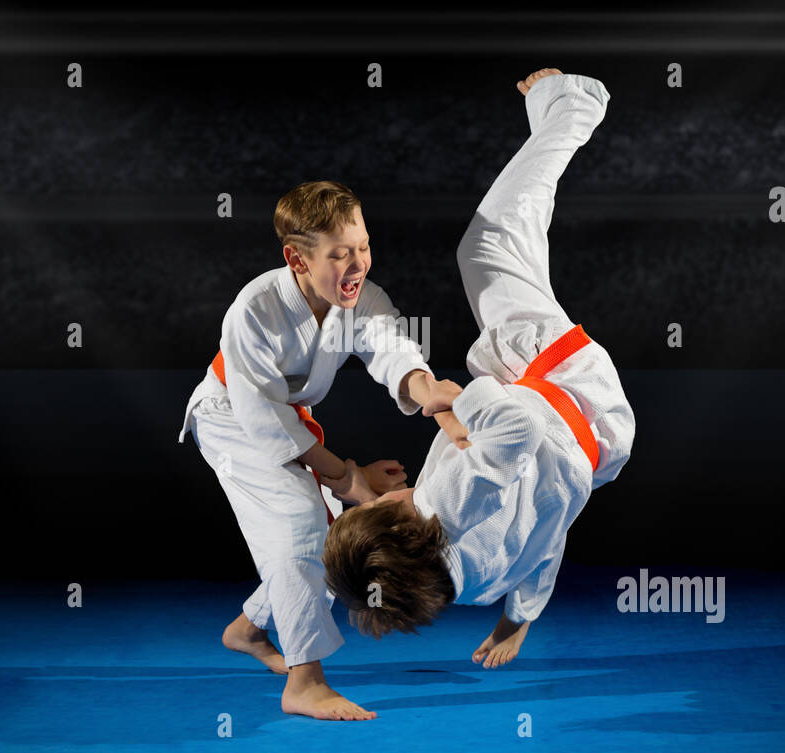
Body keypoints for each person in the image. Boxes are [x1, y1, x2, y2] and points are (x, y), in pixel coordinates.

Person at [323, 69, 635, 671]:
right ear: (396, 518)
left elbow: (546, 545)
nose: (375, 493)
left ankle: (550, 121)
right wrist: (451, 405)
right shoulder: (446, 500)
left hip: (602, 449)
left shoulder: (473, 580)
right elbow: (516, 426)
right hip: (564, 386)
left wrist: (517, 620)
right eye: (369, 505)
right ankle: (575, 103)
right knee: (488, 245)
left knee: (515, 247)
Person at [179, 180, 460, 719]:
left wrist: (429, 391)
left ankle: (248, 628)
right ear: (297, 258)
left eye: (364, 246)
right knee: (300, 525)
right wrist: (347, 477)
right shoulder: (254, 308)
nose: (358, 264)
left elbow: (391, 346)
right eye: (340, 254)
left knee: (328, 534)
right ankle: (304, 683)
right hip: (230, 417)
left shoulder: (360, 299)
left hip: (286, 423)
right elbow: (263, 415)